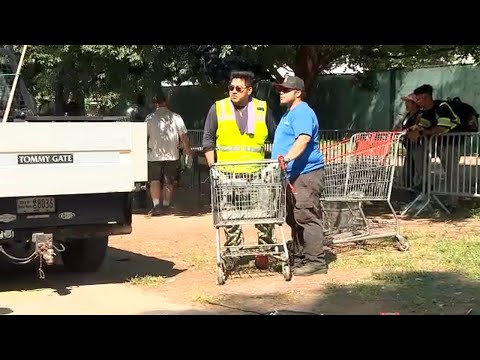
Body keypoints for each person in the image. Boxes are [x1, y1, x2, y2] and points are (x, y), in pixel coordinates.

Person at [202, 70, 278, 247]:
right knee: (229, 219)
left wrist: (275, 164)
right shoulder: (218, 108)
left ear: (249, 90)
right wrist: (213, 167)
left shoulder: (262, 108)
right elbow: (208, 139)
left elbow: (277, 136)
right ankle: (233, 251)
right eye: (231, 87)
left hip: (257, 176)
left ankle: (265, 250)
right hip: (226, 176)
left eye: (238, 88)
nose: (233, 91)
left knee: (265, 217)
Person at [271, 75, 327, 276]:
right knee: (295, 217)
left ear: (298, 93)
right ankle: (301, 256)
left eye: (286, 89)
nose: (281, 92)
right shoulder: (289, 113)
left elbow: (303, 139)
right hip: (293, 175)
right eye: (280, 89)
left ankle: (316, 261)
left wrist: (288, 157)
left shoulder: (302, 112)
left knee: (307, 214)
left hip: (306, 174)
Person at [408, 84, 461, 210]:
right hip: (435, 142)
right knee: (418, 154)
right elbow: (421, 127)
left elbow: (441, 128)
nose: (416, 101)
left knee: (450, 171)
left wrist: (421, 133)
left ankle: (452, 203)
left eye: (418, 98)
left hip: (450, 142)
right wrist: (412, 131)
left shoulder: (442, 107)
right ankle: (426, 187)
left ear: (425, 96)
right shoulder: (425, 112)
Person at [145, 91, 193, 216]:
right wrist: (188, 151)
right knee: (168, 181)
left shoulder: (149, 118)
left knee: (154, 180)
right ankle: (166, 205)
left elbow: (144, 136)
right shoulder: (176, 117)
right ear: (166, 102)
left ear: (155, 104)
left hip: (153, 154)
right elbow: (184, 136)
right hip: (172, 154)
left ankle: (156, 206)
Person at [393, 93, 422, 188]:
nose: (405, 104)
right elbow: (399, 127)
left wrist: (407, 131)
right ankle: (409, 186)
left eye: (407, 101)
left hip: (418, 145)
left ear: (414, 103)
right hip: (409, 145)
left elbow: (417, 127)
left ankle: (422, 188)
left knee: (419, 168)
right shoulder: (407, 115)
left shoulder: (420, 114)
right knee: (408, 169)